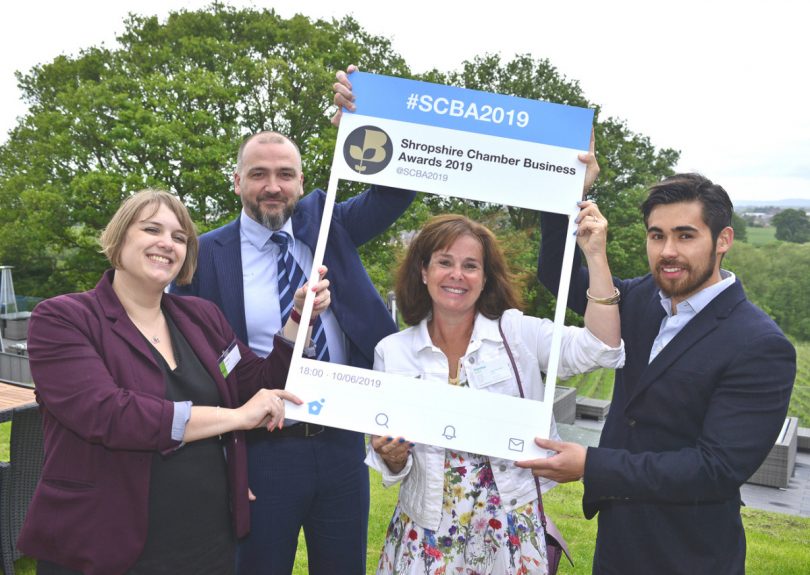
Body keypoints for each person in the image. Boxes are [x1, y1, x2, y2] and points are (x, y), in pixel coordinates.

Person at [171, 68, 416, 574]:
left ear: (302, 181)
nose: (272, 186)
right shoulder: (204, 257)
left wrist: (370, 123)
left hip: (340, 445)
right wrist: (224, 460)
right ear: (236, 181)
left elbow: (396, 193)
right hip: (261, 448)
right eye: (258, 174)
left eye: (285, 174)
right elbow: (189, 366)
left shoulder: (330, 222)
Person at [18, 189, 331, 575]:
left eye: (180, 237)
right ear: (120, 238)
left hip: (205, 539)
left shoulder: (202, 317)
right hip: (103, 541)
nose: (167, 243)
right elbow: (108, 414)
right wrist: (234, 417)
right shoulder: (63, 318)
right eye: (152, 229)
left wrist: (298, 317)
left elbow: (255, 383)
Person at [521, 165, 797, 574]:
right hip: (618, 541)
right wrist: (566, 187)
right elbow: (556, 275)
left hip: (692, 552)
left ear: (723, 240)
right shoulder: (637, 298)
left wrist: (591, 465)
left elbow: (715, 469)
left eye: (685, 235)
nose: (668, 250)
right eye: (657, 235)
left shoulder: (760, 345)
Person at [366, 213, 624, 574]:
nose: (457, 274)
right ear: (423, 271)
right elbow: (391, 461)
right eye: (444, 262)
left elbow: (602, 347)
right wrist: (393, 457)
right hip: (424, 534)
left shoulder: (516, 333)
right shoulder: (392, 351)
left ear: (484, 278)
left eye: (470, 265)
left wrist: (595, 255)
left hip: (509, 532)